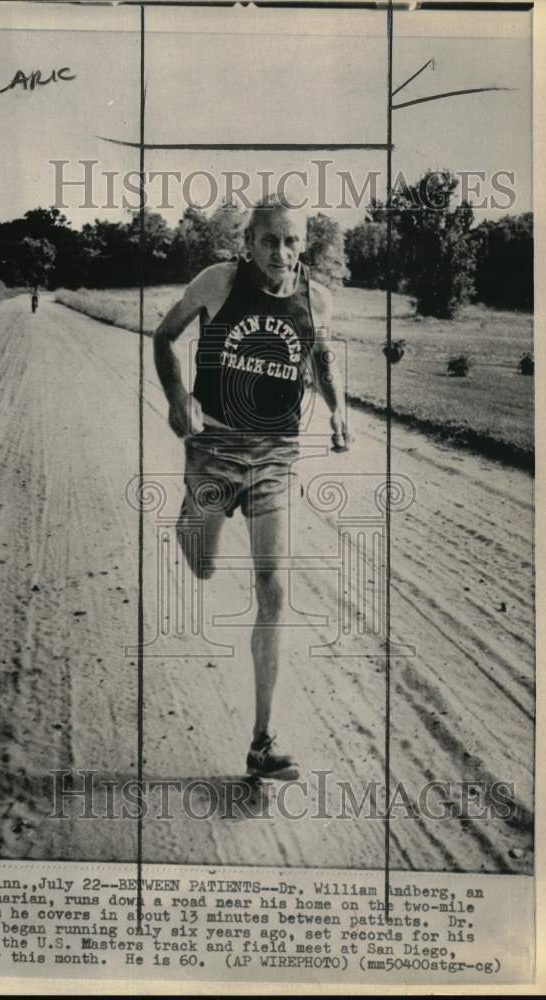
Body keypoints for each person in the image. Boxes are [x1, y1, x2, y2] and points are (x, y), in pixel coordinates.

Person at [153, 197, 350, 777]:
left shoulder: (317, 299)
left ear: (303, 246)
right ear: (249, 244)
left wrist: (338, 411)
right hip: (214, 449)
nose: (281, 253)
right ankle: (191, 518)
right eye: (270, 241)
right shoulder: (218, 282)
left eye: (292, 242)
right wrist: (178, 397)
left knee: (274, 591)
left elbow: (319, 356)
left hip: (274, 457)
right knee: (204, 565)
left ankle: (262, 741)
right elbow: (164, 337)